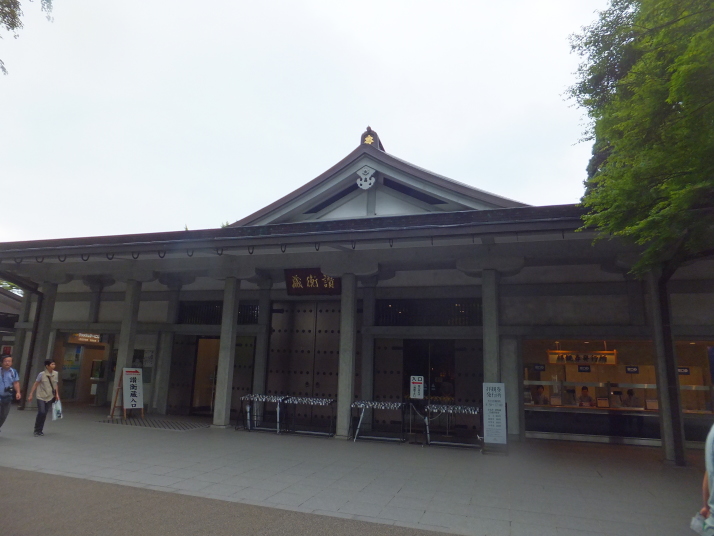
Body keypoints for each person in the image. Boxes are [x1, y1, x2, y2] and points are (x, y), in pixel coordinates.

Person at [27, 359, 60, 437]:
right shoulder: (41, 374)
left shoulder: (56, 374)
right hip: (41, 395)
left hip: (50, 396)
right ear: (47, 366)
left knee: (44, 413)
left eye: (54, 364)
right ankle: (36, 429)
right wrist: (31, 394)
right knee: (41, 412)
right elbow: (36, 384)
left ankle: (40, 430)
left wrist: (57, 394)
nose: (54, 366)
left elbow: (55, 385)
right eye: (52, 364)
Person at [0, 354, 21, 432]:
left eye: (9, 361)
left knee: (3, 415)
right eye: (5, 361)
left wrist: (18, 392)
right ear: (2, 362)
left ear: (12, 363)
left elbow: (16, 382)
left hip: (7, 396)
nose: (7, 363)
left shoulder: (13, 372)